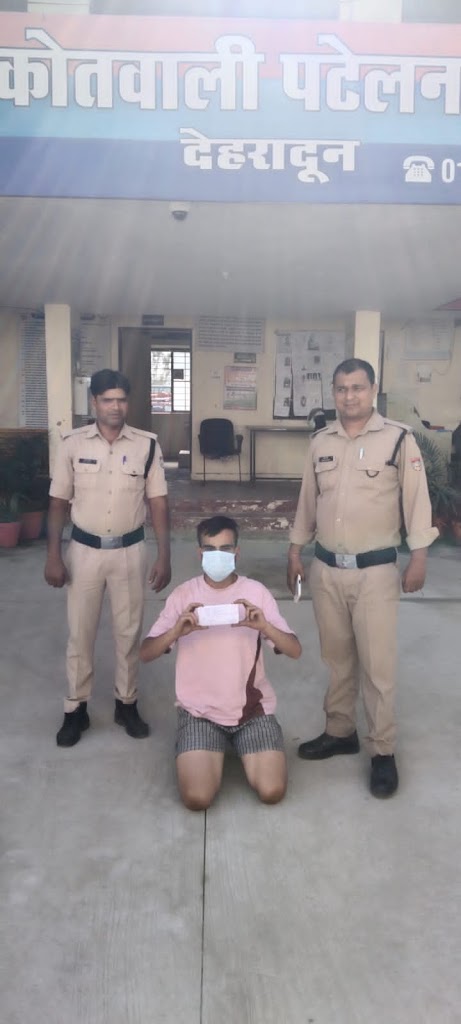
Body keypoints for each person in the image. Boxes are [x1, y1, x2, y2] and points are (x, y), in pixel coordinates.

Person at [287, 358, 438, 798]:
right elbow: (307, 502)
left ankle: (382, 751)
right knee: (337, 659)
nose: (348, 395)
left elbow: (417, 502)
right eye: (341, 388)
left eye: (357, 387)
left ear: (373, 390)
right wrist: (295, 551)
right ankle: (340, 731)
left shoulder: (398, 439)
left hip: (375, 573)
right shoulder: (321, 442)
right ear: (333, 393)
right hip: (327, 570)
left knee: (377, 667)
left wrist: (419, 558)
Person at [45, 368, 171, 747]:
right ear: (94, 402)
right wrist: (53, 555)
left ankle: (126, 703)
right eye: (107, 400)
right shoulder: (72, 444)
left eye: (121, 400)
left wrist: (164, 555)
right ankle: (76, 709)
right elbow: (57, 503)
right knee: (80, 633)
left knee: (128, 633)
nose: (115, 407)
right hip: (84, 552)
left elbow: (158, 502)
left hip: (130, 552)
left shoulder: (147, 445)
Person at [140, 515, 301, 810]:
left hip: (252, 712)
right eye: (210, 549)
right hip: (199, 713)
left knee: (272, 791)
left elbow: (294, 650)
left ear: (236, 552)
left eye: (226, 549)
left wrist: (264, 627)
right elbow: (146, 652)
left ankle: (239, 745)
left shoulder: (255, 593)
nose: (218, 556)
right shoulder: (183, 595)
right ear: (199, 553)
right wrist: (176, 631)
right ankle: (204, 747)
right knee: (197, 798)